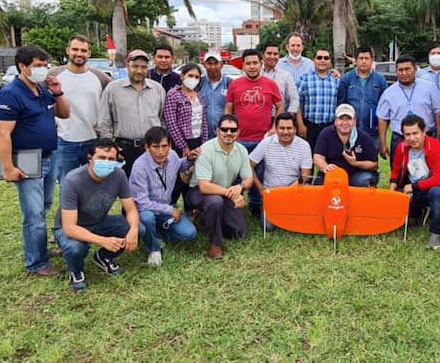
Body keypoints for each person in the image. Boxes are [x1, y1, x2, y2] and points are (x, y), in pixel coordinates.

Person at [0, 45, 70, 277]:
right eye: (37, 66)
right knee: (34, 213)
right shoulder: (11, 93)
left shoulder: (42, 90)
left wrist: (57, 92)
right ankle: (37, 263)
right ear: (22, 66)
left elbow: (64, 114)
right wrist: (7, 168)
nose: (42, 70)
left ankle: (40, 249)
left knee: (44, 206)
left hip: (50, 156)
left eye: (44, 65)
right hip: (26, 158)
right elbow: (3, 134)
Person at [53, 139, 140, 291]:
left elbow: (131, 209)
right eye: (101, 158)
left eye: (111, 159)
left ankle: (104, 257)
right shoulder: (72, 180)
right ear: (90, 158)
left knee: (139, 229)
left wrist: (134, 229)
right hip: (72, 227)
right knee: (76, 248)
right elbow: (69, 228)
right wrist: (103, 240)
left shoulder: (118, 175)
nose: (106, 162)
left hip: (100, 221)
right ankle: (76, 271)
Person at [225, 49, 283, 218]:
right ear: (242, 66)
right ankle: (233, 204)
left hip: (263, 139)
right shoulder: (235, 85)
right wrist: (228, 131)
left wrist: (274, 128)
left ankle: (256, 205)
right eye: (248, 63)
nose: (251, 67)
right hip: (239, 139)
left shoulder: (270, 84)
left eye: (255, 63)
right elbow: (228, 109)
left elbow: (280, 106)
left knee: (260, 172)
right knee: (235, 173)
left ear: (261, 64)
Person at [186, 115, 253, 259]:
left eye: (233, 130)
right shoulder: (206, 149)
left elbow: (249, 179)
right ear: (217, 131)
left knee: (238, 232)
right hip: (198, 192)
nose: (229, 133)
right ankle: (215, 245)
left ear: (238, 132)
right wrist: (233, 193)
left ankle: (204, 217)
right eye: (224, 129)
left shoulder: (241, 150)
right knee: (215, 202)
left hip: (224, 192)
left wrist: (240, 187)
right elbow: (204, 186)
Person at [129, 127, 198, 267]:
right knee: (147, 218)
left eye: (164, 146)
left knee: (189, 233)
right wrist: (170, 210)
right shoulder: (139, 167)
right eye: (155, 147)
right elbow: (142, 203)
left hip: (164, 209)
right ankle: (153, 249)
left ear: (170, 146)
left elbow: (180, 164)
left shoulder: (171, 155)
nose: (161, 151)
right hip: (143, 211)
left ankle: (155, 234)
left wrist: (189, 159)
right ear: (147, 147)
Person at [48, 35, 110, 182]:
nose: (79, 53)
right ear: (68, 50)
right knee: (67, 185)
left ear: (89, 53)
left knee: (93, 184)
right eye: (75, 49)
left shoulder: (100, 77)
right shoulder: (53, 76)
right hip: (64, 141)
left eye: (84, 50)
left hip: (93, 140)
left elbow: (111, 103)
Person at [98, 49, 166, 176]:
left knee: (153, 187)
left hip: (151, 148)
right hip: (124, 148)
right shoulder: (113, 89)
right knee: (126, 189)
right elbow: (104, 121)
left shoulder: (157, 89)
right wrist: (110, 147)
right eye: (135, 66)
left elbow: (162, 119)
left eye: (143, 67)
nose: (139, 71)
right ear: (127, 66)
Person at [390, 115, 440, 250]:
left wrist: (413, 186)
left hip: (429, 190)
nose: (412, 138)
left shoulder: (436, 147)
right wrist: (392, 188)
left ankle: (436, 234)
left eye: (415, 133)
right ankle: (417, 215)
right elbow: (395, 171)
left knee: (438, 192)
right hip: (411, 192)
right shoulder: (401, 147)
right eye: (407, 134)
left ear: (424, 131)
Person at [377, 55, 440, 167]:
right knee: (399, 175)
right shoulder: (388, 93)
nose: (404, 73)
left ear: (415, 69)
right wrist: (383, 143)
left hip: (426, 137)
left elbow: (438, 112)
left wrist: (438, 136)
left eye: (407, 69)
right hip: (400, 139)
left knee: (430, 172)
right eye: (400, 70)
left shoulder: (429, 88)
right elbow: (382, 118)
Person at [249, 112, 313, 230]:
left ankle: (292, 212)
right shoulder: (267, 142)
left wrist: (287, 193)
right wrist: (260, 189)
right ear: (276, 129)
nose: (285, 132)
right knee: (267, 227)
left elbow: (306, 176)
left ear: (295, 129)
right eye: (282, 128)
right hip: (272, 193)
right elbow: (249, 165)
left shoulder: (304, 145)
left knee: (301, 224)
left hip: (294, 191)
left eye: (289, 128)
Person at [313, 104, 378, 187]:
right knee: (319, 185)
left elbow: (374, 164)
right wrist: (325, 167)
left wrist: (356, 163)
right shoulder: (326, 134)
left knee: (364, 179)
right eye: (341, 119)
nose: (345, 122)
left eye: (349, 119)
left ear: (354, 121)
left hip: (355, 174)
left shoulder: (364, 137)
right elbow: (318, 157)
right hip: (332, 173)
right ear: (335, 121)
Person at [336, 46, 387, 149]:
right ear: (355, 61)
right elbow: (341, 104)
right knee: (350, 160)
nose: (364, 61)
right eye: (361, 58)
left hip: (372, 130)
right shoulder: (346, 79)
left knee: (371, 161)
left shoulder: (380, 80)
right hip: (350, 129)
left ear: (372, 60)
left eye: (367, 58)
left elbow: (385, 106)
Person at [297, 48, 339, 151]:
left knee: (327, 161)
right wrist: (300, 124)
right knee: (307, 160)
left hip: (330, 127)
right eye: (319, 58)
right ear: (313, 60)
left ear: (330, 61)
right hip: (309, 126)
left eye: (326, 58)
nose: (322, 60)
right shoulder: (305, 79)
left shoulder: (336, 80)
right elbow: (296, 103)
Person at [164, 63, 208, 157]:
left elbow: (203, 121)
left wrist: (204, 144)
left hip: (198, 140)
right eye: (190, 76)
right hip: (182, 141)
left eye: (197, 77)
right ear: (182, 76)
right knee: (182, 168)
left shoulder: (199, 95)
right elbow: (171, 123)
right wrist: (183, 146)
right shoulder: (173, 94)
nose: (193, 79)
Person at [261, 42, 299, 117]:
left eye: (275, 54)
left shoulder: (286, 76)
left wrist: (288, 117)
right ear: (263, 55)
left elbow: (294, 99)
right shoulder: (256, 74)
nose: (272, 57)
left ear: (279, 56)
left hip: (279, 119)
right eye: (269, 53)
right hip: (259, 118)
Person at [198, 51, 230, 139]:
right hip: (202, 135)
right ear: (204, 65)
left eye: (216, 63)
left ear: (221, 64)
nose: (213, 67)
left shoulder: (229, 83)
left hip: (224, 134)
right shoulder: (199, 83)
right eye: (209, 63)